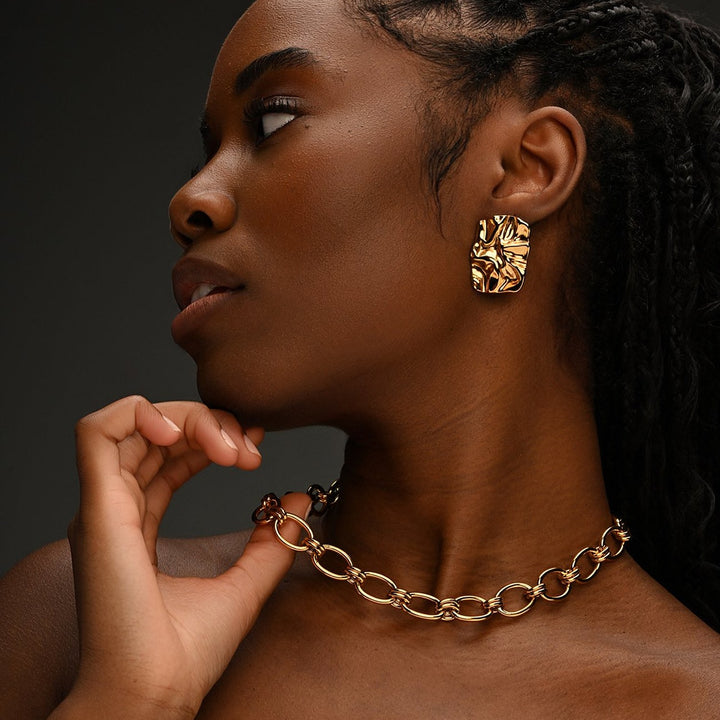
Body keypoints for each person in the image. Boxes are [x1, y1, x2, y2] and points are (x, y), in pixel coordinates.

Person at [1, 0, 719, 716]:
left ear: (524, 169)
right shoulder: (79, 620)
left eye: (273, 121)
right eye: (208, 151)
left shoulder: (692, 698)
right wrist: (132, 697)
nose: (191, 199)